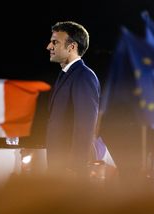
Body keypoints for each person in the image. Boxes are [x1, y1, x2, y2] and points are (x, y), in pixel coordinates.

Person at [45, 21, 100, 177]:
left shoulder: (84, 76)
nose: (49, 46)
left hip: (70, 171)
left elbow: (86, 125)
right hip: (58, 167)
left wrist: (75, 167)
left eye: (55, 42)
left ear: (72, 47)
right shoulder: (64, 75)